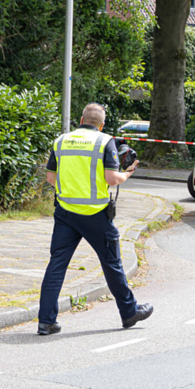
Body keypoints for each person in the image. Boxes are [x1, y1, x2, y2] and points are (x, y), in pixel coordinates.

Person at [37, 103, 153, 335]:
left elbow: (51, 178)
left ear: (81, 120)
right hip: (96, 215)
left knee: (56, 265)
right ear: (101, 124)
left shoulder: (61, 141)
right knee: (112, 264)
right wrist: (127, 173)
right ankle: (129, 312)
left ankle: (46, 322)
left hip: (65, 213)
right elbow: (112, 179)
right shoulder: (104, 141)